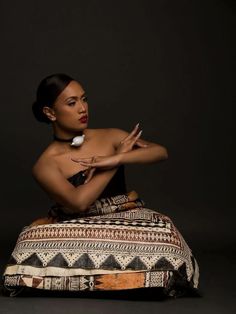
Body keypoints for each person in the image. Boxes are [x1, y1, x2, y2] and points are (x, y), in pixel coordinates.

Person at [2, 73, 200, 298]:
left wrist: (115, 158)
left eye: (84, 99)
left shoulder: (110, 135)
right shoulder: (45, 165)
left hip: (124, 214)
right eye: (72, 103)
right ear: (50, 113)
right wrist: (113, 164)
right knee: (29, 240)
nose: (82, 108)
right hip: (75, 223)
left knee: (163, 234)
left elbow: (159, 152)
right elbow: (79, 203)